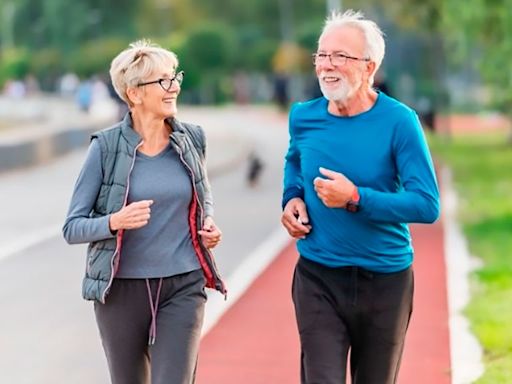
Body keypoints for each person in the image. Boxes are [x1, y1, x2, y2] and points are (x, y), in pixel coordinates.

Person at [280, 10, 440, 384]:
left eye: (340, 56)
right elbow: (294, 161)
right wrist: (291, 198)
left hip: (385, 281)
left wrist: (355, 197)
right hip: (318, 275)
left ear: (369, 67)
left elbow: (426, 204)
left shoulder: (400, 121)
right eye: (322, 55)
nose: (326, 65)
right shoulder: (303, 116)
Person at [62, 39, 226, 384]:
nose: (174, 87)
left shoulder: (192, 139)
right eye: (163, 81)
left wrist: (207, 221)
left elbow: (203, 194)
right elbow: (72, 227)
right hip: (121, 291)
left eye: (175, 77)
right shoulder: (105, 148)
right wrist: (115, 221)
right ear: (134, 94)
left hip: (184, 283)